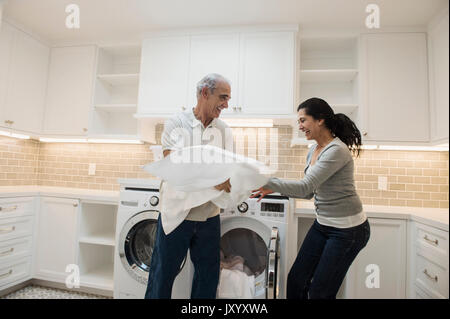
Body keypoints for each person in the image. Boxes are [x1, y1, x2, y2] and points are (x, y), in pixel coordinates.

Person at [251, 97, 370, 299]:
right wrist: (272, 188)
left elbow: (305, 186)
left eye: (303, 120)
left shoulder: (336, 151)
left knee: (320, 293)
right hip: (323, 225)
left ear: (320, 120)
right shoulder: (313, 150)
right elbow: (307, 192)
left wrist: (268, 182)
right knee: (296, 280)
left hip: (348, 231)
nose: (300, 126)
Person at [145, 73, 233, 299]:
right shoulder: (177, 122)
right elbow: (172, 162)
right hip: (177, 213)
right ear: (205, 93)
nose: (226, 104)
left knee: (208, 276)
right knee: (163, 273)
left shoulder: (223, 130)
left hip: (209, 213)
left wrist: (227, 177)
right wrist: (214, 175)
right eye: (222, 97)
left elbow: (228, 168)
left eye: (228, 99)